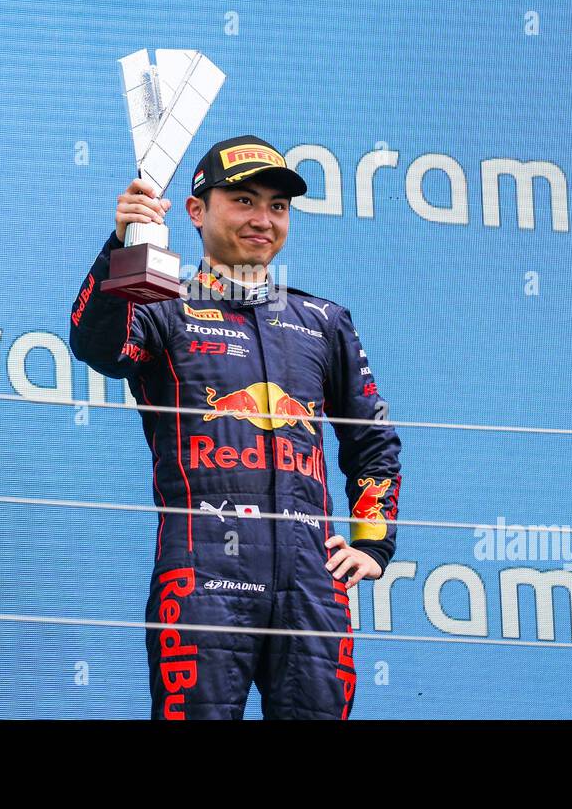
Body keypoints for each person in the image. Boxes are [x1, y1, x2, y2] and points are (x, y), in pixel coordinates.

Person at [70, 134, 402, 719]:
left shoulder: (323, 321)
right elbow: (97, 344)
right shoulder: (160, 305)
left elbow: (371, 440)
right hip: (203, 575)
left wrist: (373, 543)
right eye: (244, 201)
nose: (263, 219)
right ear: (196, 212)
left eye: (277, 207)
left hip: (312, 584)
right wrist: (119, 246)